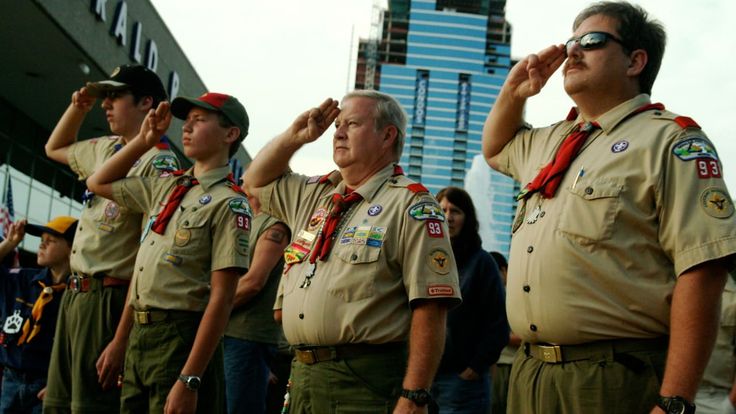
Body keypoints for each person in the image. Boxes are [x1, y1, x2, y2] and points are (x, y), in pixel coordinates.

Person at [481, 2, 736, 413]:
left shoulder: (670, 142)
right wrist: (514, 91)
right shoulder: (553, 141)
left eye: (593, 41)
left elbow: (702, 269)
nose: (572, 52)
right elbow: (495, 149)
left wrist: (675, 401)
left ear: (636, 61)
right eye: (570, 42)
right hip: (532, 373)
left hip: (611, 378)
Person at [243, 90, 462, 414]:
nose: (339, 132)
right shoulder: (315, 195)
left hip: (364, 381)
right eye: (337, 125)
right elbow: (254, 181)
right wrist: (295, 136)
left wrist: (415, 395)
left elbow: (431, 307)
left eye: (353, 124)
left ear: (387, 135)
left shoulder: (411, 205)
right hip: (302, 374)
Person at [86, 91, 252, 413]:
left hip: (181, 336)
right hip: (141, 333)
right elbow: (97, 182)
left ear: (230, 134)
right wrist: (145, 140)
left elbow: (222, 298)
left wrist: (190, 378)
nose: (186, 128)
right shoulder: (166, 187)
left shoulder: (229, 203)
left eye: (199, 121)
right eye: (185, 122)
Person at [43, 64, 180, 413]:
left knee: (91, 404)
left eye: (116, 96)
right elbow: (54, 147)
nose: (106, 104)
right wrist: (78, 107)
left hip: (110, 299)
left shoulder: (159, 164)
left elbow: (147, 257)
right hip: (75, 294)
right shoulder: (106, 148)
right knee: (59, 404)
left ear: (146, 103)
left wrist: (120, 339)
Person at [431, 187, 508, 414]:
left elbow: (498, 323)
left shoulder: (482, 263)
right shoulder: (427, 258)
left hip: (462, 382)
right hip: (423, 378)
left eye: (455, 211)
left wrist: (475, 367)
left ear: (467, 217)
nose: (447, 217)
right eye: (442, 209)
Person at [223, 188, 290, 414]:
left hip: (247, 337)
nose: (243, 179)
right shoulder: (247, 219)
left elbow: (253, 282)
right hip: (227, 333)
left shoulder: (276, 225)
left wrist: (211, 311)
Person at [0, 217, 76, 414]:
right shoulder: (23, 279)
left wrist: (61, 383)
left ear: (72, 247)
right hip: (11, 380)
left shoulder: (77, 294)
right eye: (41, 238)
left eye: (50, 241)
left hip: (47, 385)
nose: (41, 244)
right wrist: (10, 243)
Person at [694, 275, 736, 414]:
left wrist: (730, 403)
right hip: (663, 394)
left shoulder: (732, 292)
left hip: (714, 397)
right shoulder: (663, 282)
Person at [487, 251, 519, 414]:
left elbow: (523, 337)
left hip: (510, 365)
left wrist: (496, 337)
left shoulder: (516, 297)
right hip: (492, 364)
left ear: (505, 270)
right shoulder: (488, 297)